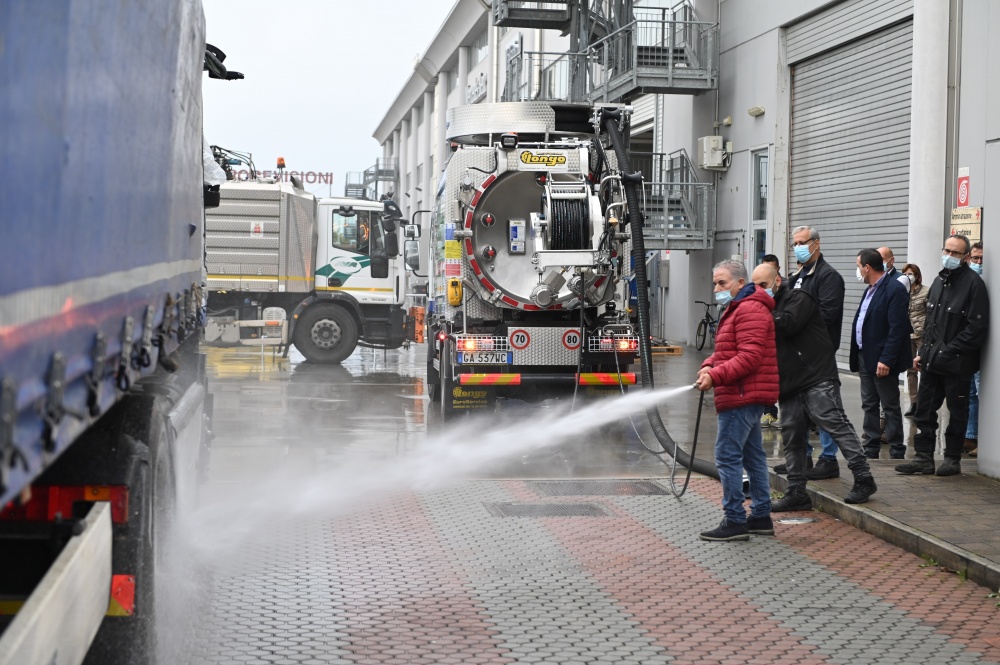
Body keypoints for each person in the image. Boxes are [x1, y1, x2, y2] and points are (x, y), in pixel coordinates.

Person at [751, 263, 877, 510]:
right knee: (792, 435)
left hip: (815, 375)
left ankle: (864, 478)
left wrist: (757, 313)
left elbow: (787, 324)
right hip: (789, 382)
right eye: (754, 286)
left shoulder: (798, 297)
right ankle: (797, 491)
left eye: (762, 285)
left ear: (777, 281)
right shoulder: (766, 305)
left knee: (834, 422)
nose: (758, 291)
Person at [695, 260, 779, 541]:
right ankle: (761, 516)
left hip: (741, 394)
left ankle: (734, 520)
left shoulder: (750, 309)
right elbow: (728, 349)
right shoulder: (739, 308)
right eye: (715, 283)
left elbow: (749, 357)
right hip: (744, 392)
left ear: (741, 283)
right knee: (753, 455)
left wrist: (715, 376)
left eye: (722, 283)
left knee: (727, 456)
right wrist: (709, 364)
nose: (717, 288)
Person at [896, 235, 990, 476]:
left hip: (957, 364)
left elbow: (975, 329)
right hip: (931, 361)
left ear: (966, 257)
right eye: (946, 250)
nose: (948, 255)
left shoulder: (974, 285)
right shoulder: (939, 281)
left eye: (955, 252)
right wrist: (923, 352)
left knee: (958, 413)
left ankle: (951, 459)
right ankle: (923, 458)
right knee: (924, 411)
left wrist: (947, 351)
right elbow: (931, 324)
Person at [787, 226, 844, 480]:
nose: (798, 247)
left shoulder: (828, 277)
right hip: (797, 355)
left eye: (802, 242)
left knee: (825, 408)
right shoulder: (798, 276)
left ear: (816, 243)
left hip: (818, 355)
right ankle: (803, 457)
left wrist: (796, 323)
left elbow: (827, 315)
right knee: (799, 410)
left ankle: (829, 459)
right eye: (795, 243)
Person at [849, 249, 912, 460]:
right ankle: (871, 446)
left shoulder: (894, 289)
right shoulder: (870, 289)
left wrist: (886, 359)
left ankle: (896, 449)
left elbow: (897, 329)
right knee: (869, 404)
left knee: (890, 404)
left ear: (867, 268)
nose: (857, 271)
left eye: (858, 266)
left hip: (881, 358)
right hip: (864, 355)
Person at [901, 263, 929, 417]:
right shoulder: (901, 291)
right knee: (910, 370)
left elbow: (931, 314)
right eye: (905, 274)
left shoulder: (926, 291)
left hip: (923, 335)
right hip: (907, 335)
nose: (908, 277)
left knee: (925, 367)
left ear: (917, 276)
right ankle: (914, 403)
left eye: (911, 274)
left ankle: (925, 402)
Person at [965, 241, 984, 456]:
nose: (978, 263)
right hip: (967, 347)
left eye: (982, 259)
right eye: (975, 258)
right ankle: (970, 437)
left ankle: (983, 440)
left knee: (980, 392)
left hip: (982, 347)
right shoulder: (968, 281)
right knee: (969, 393)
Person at [760, 253, 782, 429]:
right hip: (766, 346)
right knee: (767, 380)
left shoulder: (786, 291)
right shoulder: (756, 292)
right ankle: (769, 411)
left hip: (782, 344)